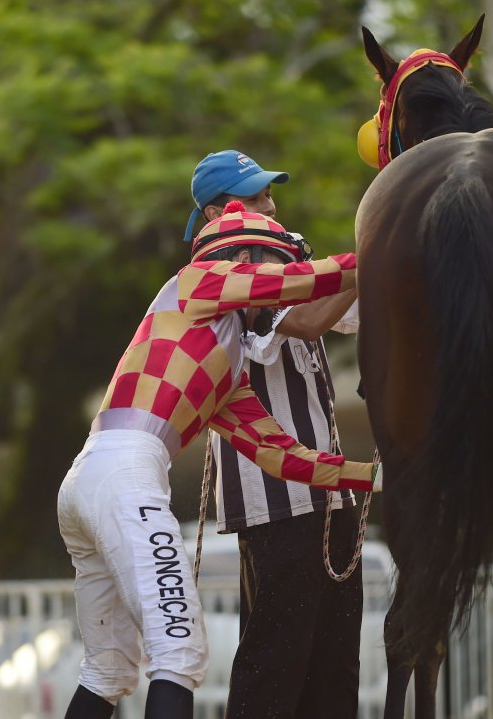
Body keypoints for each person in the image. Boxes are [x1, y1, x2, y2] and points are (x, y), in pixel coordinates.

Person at [57, 202, 373, 719]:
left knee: (108, 671)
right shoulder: (199, 280)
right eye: (275, 262)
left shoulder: (227, 364)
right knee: (179, 655)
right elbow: (304, 280)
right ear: (243, 260)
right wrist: (379, 250)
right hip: (126, 476)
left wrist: (371, 477)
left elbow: (284, 457)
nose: (283, 280)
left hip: (90, 478)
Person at [187, 150, 363, 718]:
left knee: (335, 667)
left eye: (269, 194)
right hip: (276, 501)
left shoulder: (283, 263)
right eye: (257, 196)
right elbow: (310, 320)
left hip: (329, 494)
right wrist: (371, 255)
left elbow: (347, 313)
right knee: (276, 662)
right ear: (218, 214)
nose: (271, 205)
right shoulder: (229, 275)